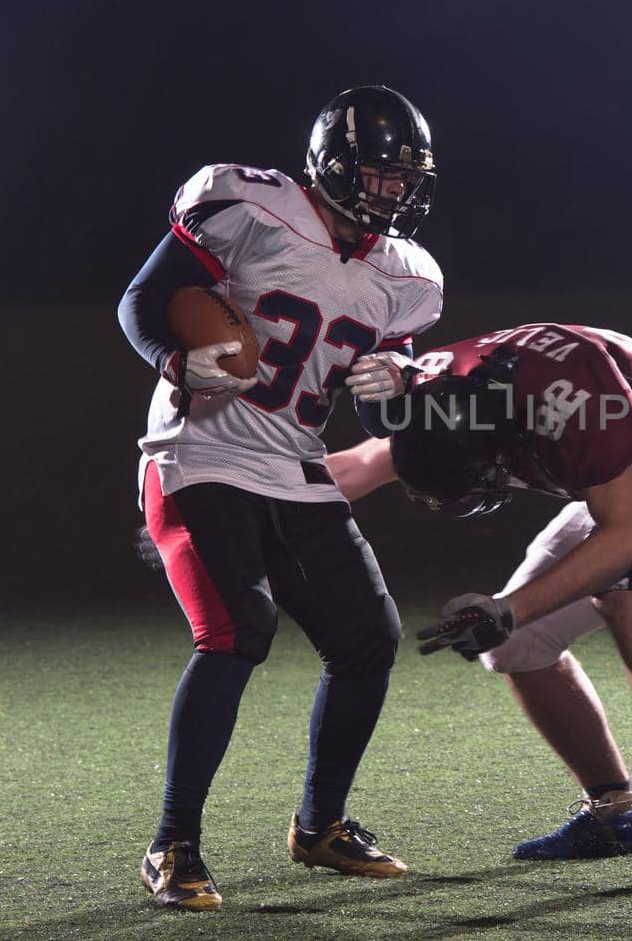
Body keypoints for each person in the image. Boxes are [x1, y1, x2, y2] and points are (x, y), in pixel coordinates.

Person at [116, 85, 444, 910]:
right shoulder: (249, 205)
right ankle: (173, 843)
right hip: (197, 449)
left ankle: (320, 825)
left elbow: (373, 403)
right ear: (333, 164)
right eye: (379, 174)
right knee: (237, 628)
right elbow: (144, 301)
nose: (393, 192)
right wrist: (169, 362)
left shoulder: (404, 277)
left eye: (406, 178)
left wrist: (392, 382)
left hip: (294, 462)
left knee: (369, 637)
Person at [325, 323, 632, 859]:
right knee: (515, 647)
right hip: (622, 485)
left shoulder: (575, 397)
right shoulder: (442, 399)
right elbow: (357, 467)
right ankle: (610, 808)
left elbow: (622, 541)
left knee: (618, 575)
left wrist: (507, 607)